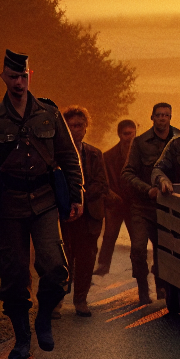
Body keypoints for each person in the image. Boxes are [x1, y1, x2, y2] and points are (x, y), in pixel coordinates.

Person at [0, 50, 83, 359]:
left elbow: (69, 158)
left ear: (30, 76)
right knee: (14, 274)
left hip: (44, 202)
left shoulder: (49, 114)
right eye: (12, 76)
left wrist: (77, 196)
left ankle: (43, 319)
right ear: (3, 77)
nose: (18, 82)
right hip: (8, 206)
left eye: (23, 76)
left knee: (55, 268)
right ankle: (22, 338)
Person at [122, 103, 180, 305]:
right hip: (142, 206)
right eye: (159, 115)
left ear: (171, 117)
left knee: (165, 251)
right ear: (152, 117)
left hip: (170, 208)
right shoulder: (140, 142)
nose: (162, 118)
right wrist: (148, 189)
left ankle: (163, 288)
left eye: (166, 115)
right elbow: (127, 173)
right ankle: (142, 288)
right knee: (138, 249)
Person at [61, 106, 110, 316]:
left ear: (86, 127)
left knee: (86, 259)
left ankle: (81, 300)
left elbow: (102, 183)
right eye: (71, 126)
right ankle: (57, 301)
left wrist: (80, 198)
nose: (75, 130)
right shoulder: (55, 155)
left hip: (89, 215)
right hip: (64, 215)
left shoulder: (95, 154)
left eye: (79, 125)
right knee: (61, 258)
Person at [95, 118, 137, 276]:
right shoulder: (108, 156)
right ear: (119, 134)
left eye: (131, 134)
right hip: (115, 202)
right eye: (126, 134)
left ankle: (138, 265)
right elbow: (103, 180)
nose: (129, 137)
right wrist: (111, 195)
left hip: (133, 203)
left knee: (136, 237)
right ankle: (103, 265)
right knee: (109, 235)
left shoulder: (140, 155)